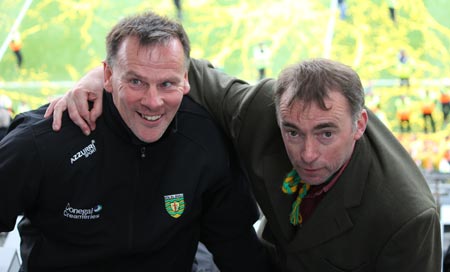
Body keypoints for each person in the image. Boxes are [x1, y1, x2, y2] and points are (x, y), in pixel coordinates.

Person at [48, 57, 442, 270]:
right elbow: (188, 71)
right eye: (292, 132)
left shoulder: (407, 217)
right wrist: (95, 80)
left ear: (359, 124)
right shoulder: (261, 110)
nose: (306, 153)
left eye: (325, 133)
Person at [0, 11, 271, 271]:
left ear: (186, 80)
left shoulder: (205, 142)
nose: (153, 102)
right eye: (136, 82)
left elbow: (236, 246)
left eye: (167, 84)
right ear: (107, 76)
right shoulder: (46, 140)